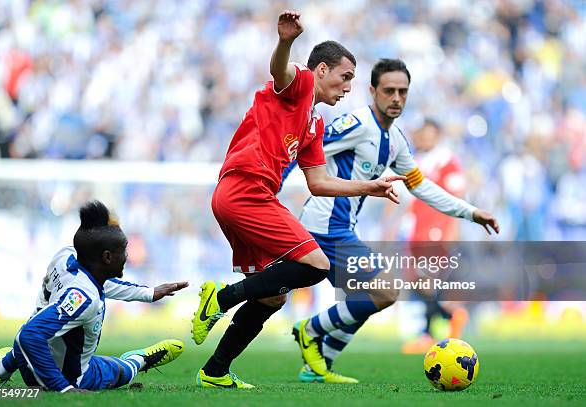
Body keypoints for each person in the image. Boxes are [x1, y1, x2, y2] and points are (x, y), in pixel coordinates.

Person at [191, 11, 405, 389]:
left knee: (273, 297)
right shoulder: (301, 84)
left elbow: (319, 182)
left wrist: (368, 187)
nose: (348, 87)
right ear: (322, 70)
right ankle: (221, 300)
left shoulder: (314, 123)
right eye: (346, 77)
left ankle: (215, 371)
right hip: (245, 190)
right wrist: (286, 40)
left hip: (244, 196)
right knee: (317, 264)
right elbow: (280, 72)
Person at [283, 59, 499, 383]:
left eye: (403, 91)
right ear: (373, 91)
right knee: (384, 291)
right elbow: (306, 148)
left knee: (371, 296)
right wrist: (272, 189)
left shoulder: (396, 140)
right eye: (389, 91)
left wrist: (469, 212)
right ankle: (311, 329)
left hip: (341, 228)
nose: (396, 98)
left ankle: (318, 364)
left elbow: (421, 186)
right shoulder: (356, 124)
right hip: (323, 227)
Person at [0, 200, 188, 392]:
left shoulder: (67, 255)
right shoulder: (84, 298)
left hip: (26, 359)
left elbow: (102, 282)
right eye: (123, 251)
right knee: (120, 372)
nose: (127, 256)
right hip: (66, 375)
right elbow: (30, 336)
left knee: (44, 328)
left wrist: (149, 293)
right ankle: (138, 360)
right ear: (107, 257)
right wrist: (64, 388)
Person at [401, 119, 471, 354]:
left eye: (428, 133)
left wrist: (451, 231)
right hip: (418, 231)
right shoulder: (418, 162)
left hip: (436, 230)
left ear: (437, 135)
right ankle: (448, 319)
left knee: (427, 282)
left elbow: (457, 198)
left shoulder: (447, 160)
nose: (423, 137)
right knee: (419, 282)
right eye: (421, 133)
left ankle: (435, 329)